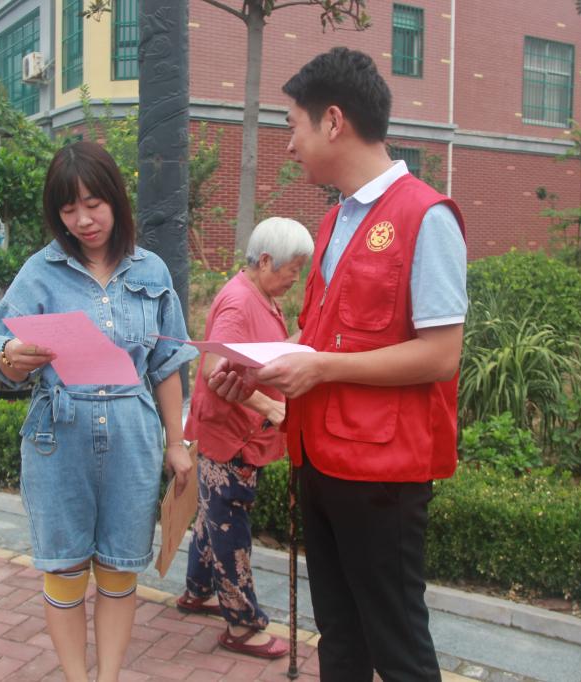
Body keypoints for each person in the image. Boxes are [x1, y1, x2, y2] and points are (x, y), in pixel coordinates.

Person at [210, 47, 467, 681]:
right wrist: (258, 368)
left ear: (332, 121)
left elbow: (441, 354)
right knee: (339, 634)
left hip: (382, 470)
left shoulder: (425, 216)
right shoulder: (332, 223)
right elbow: (321, 337)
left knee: (398, 644)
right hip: (319, 457)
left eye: (292, 125)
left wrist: (321, 369)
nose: (289, 145)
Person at [0, 141, 197, 682]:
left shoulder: (152, 271)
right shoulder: (40, 272)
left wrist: (177, 443)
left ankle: (108, 677)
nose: (83, 220)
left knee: (120, 568)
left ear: (115, 200)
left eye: (93, 204)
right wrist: (13, 355)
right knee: (66, 566)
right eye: (69, 209)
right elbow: (0, 354)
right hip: (59, 435)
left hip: (132, 438)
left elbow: (167, 365)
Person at [176, 217, 313, 659]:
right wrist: (272, 408)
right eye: (293, 268)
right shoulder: (238, 303)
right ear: (266, 260)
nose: (296, 277)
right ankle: (242, 625)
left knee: (213, 515)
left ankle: (198, 590)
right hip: (230, 436)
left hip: (234, 434)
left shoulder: (260, 295)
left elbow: (260, 354)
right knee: (229, 527)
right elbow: (215, 373)